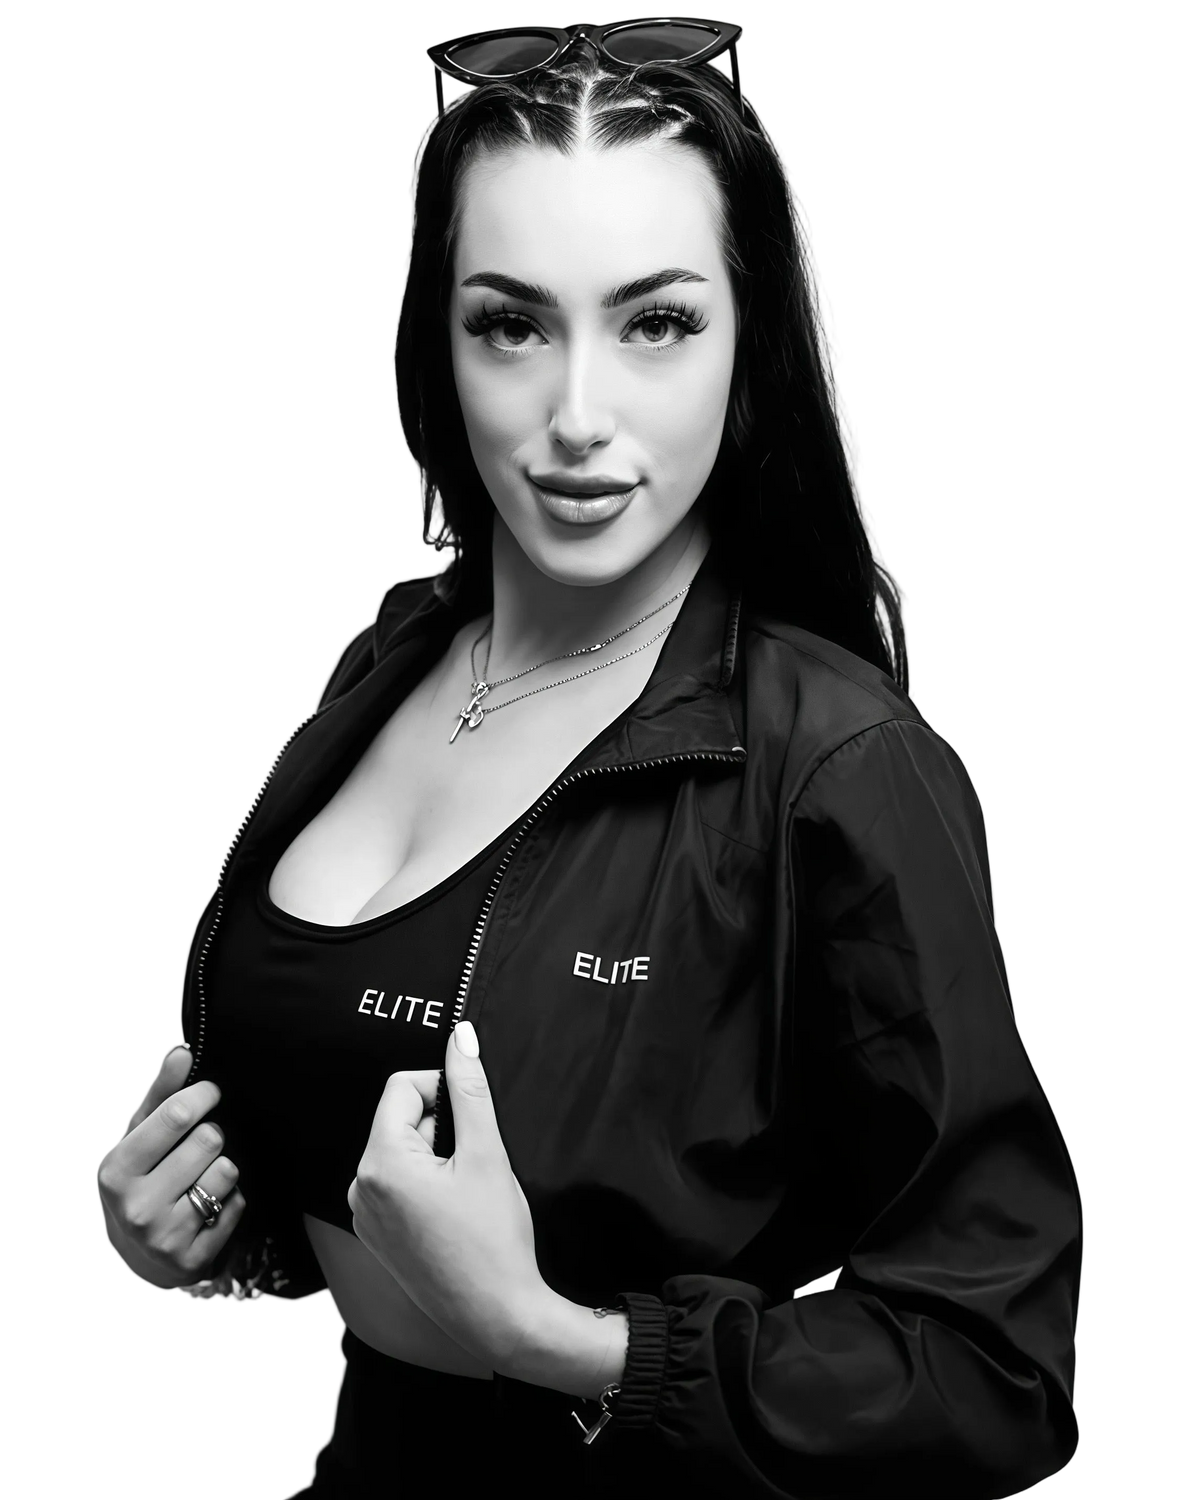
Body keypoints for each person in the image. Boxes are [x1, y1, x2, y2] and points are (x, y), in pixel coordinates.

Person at [93, 19, 1084, 1498]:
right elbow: (371, 1131)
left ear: (755, 343)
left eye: (657, 324)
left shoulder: (842, 764)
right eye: (511, 325)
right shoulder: (390, 657)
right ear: (438, 341)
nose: (575, 419)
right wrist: (202, 1238)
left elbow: (996, 1376)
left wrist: (556, 1340)